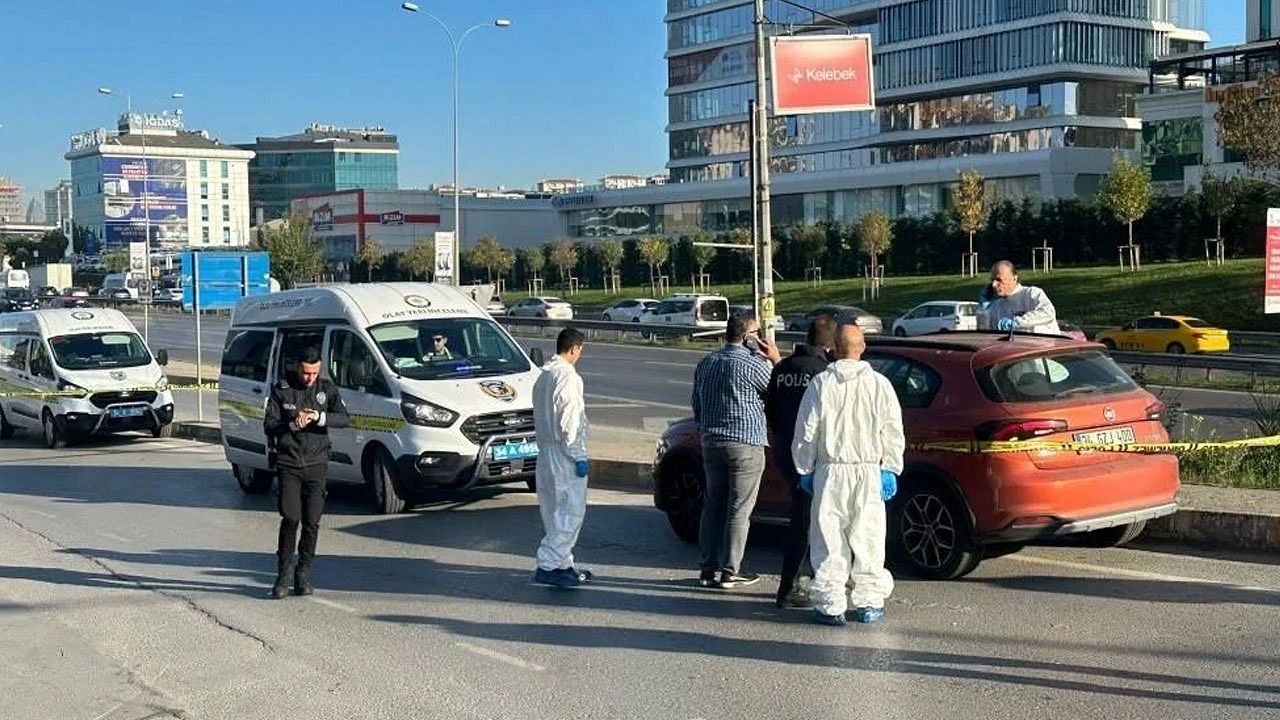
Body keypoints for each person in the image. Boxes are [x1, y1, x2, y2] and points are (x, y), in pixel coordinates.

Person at [792, 324, 905, 626]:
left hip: (830, 472)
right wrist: (890, 468)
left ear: (833, 348)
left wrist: (805, 468)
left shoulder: (821, 384)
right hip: (869, 472)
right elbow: (893, 431)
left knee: (829, 540)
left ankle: (830, 604)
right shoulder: (880, 385)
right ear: (862, 347)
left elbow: (806, 432)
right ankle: (869, 602)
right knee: (868, 538)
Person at [691, 313, 782, 590]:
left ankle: (707, 569)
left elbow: (697, 402)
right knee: (739, 509)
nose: (760, 337)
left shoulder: (706, 363)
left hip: (711, 441)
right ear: (746, 336)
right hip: (745, 444)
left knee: (713, 504)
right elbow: (777, 393)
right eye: (757, 332)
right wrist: (776, 359)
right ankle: (730, 570)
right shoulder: (754, 365)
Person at [263, 347, 349, 600]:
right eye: (305, 372)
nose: (309, 377)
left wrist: (319, 417)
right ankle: (283, 575)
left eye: (314, 372)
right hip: (289, 464)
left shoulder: (326, 389)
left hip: (316, 463)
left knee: (312, 522)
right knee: (291, 518)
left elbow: (344, 418)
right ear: (298, 368)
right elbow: (269, 425)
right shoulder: (282, 389)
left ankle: (303, 573)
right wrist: (291, 424)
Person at [765, 313, 838, 609]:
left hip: (785, 453)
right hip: (814, 457)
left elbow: (770, 411)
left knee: (804, 516)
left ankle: (806, 581)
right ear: (830, 345)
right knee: (807, 521)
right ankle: (790, 586)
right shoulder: (824, 373)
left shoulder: (783, 368)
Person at [531, 328, 592, 589]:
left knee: (554, 512)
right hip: (563, 454)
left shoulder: (543, 376)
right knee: (571, 511)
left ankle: (562, 563)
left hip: (545, 452)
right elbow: (570, 420)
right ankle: (548, 565)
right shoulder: (567, 377)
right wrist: (578, 455)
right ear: (575, 349)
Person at [978, 260, 1060, 335]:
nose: (994, 285)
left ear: (1014, 278)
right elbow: (987, 333)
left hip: (1048, 346)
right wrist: (984, 313)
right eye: (992, 280)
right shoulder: (996, 306)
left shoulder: (1031, 293)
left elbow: (1048, 312)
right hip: (1018, 348)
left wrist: (1018, 322)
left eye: (999, 280)